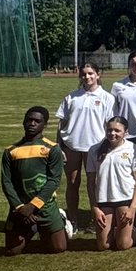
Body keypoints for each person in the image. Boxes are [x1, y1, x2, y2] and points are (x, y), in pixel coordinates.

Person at [2, 106, 68, 255]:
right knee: (12, 251)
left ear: (44, 125)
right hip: (20, 207)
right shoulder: (10, 151)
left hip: (44, 205)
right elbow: (7, 182)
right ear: (23, 122)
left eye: (37, 121)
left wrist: (33, 206)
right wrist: (20, 208)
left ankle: (59, 220)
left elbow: (53, 181)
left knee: (58, 248)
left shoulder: (52, 149)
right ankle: (31, 229)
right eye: (29, 120)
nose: (32, 123)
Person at [56, 63, 114, 230]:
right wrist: (59, 146)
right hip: (72, 146)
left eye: (90, 73)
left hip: (96, 147)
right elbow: (61, 124)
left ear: (98, 75)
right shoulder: (71, 97)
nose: (87, 77)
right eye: (84, 74)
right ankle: (72, 221)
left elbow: (110, 125)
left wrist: (107, 147)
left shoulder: (107, 98)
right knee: (72, 183)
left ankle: (95, 219)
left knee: (95, 184)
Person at [86, 116, 136, 251]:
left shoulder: (133, 149)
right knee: (103, 246)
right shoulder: (94, 150)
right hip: (104, 201)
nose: (112, 133)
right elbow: (90, 182)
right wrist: (95, 208)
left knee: (123, 245)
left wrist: (132, 208)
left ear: (125, 132)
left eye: (117, 131)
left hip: (125, 200)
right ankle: (117, 230)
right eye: (109, 130)